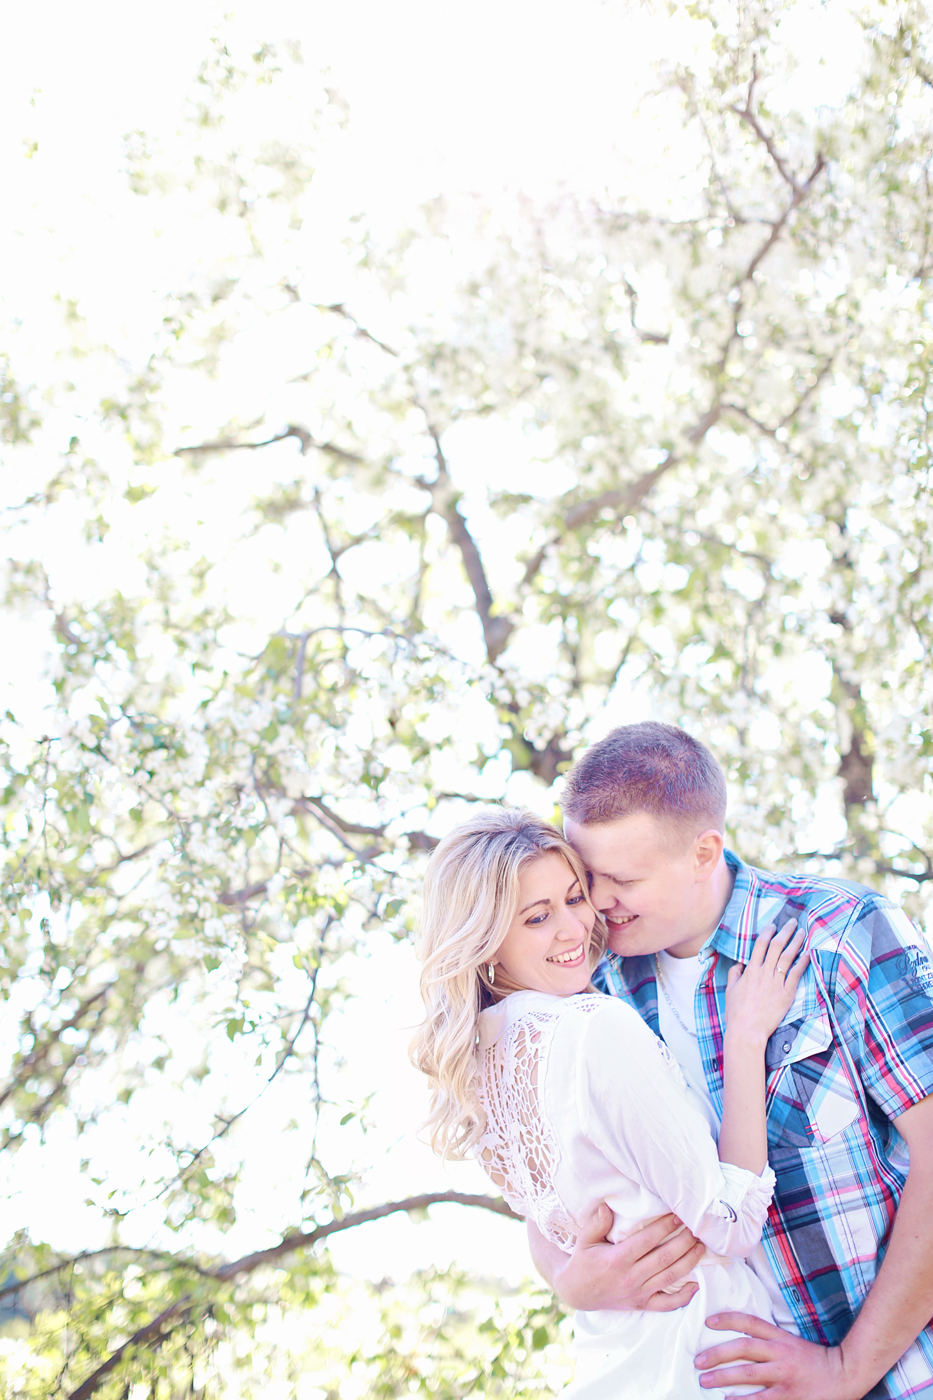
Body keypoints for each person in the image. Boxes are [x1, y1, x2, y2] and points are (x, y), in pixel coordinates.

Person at [528, 721, 933, 1400]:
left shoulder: (838, 934)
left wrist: (845, 1370)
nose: (596, 903)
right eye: (584, 875)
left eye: (622, 878)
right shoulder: (589, 993)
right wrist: (564, 1275)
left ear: (703, 852)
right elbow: (542, 1189)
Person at [410, 807, 808, 1399]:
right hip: (705, 1360)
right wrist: (745, 1040)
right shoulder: (593, 1028)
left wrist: (571, 1281)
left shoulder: (482, 1063)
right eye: (537, 917)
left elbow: (553, 1225)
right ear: (486, 937)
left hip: (611, 1365)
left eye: (575, 898)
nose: (573, 929)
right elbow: (728, 1225)